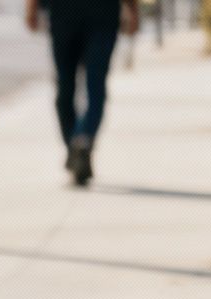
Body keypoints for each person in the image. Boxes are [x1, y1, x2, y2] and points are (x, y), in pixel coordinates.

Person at [28, 0, 141, 186]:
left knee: (67, 87)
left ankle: (77, 144)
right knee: (92, 86)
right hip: (90, 16)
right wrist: (133, 11)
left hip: (77, 16)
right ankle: (82, 141)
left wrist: (31, 8)